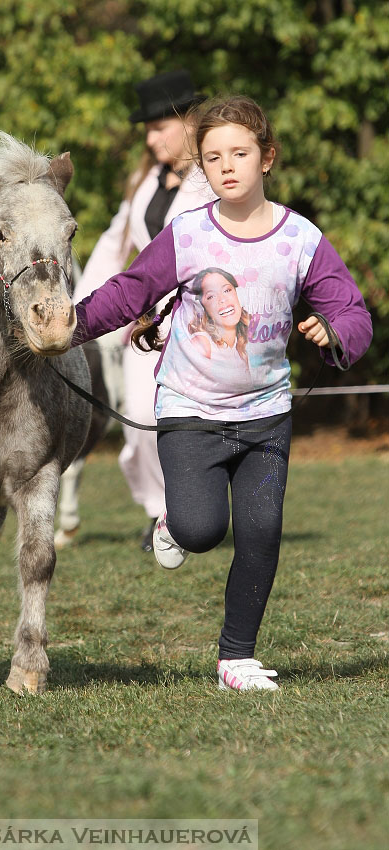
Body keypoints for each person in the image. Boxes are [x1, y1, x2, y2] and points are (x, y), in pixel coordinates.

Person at [71, 95, 372, 691]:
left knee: (261, 532)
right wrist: (67, 327)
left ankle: (235, 657)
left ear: (268, 157)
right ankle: (172, 527)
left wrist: (335, 331)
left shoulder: (302, 240)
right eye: (213, 157)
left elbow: (352, 310)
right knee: (202, 529)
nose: (228, 165)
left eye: (240, 152)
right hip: (190, 413)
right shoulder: (185, 235)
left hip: (266, 418)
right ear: (202, 169)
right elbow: (129, 292)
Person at [70, 69, 216, 551]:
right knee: (138, 422)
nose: (151, 138)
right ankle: (162, 515)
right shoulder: (145, 181)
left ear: (189, 122)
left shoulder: (214, 179)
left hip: (198, 321)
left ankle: (192, 515)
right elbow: (115, 245)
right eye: (147, 130)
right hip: (146, 322)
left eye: (159, 127)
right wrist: (78, 316)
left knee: (190, 424)